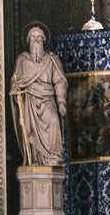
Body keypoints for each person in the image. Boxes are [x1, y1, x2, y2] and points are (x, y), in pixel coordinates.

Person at [10, 23, 68, 166]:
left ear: (43, 40)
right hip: (29, 100)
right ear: (28, 40)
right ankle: (34, 159)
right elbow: (15, 81)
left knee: (53, 119)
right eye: (33, 37)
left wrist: (61, 102)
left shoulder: (52, 59)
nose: (36, 40)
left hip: (47, 99)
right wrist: (16, 90)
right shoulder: (22, 60)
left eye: (39, 37)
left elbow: (60, 81)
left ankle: (53, 157)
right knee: (28, 129)